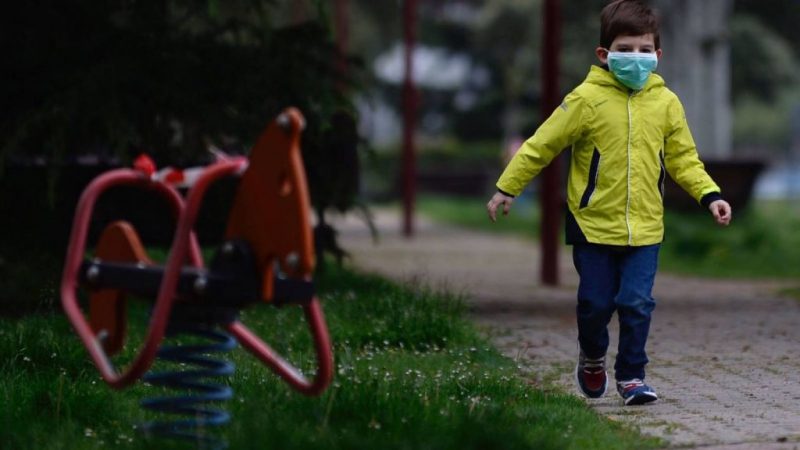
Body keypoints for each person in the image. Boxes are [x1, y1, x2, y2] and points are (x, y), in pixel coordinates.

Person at [485, 0, 732, 406]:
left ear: (657, 55)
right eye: (626, 49)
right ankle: (593, 356)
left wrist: (711, 195)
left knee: (636, 303)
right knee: (595, 303)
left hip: (646, 227)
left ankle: (633, 375)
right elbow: (541, 146)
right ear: (604, 54)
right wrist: (507, 187)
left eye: (644, 50)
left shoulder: (666, 103)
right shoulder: (585, 100)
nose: (636, 58)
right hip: (592, 224)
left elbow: (684, 159)